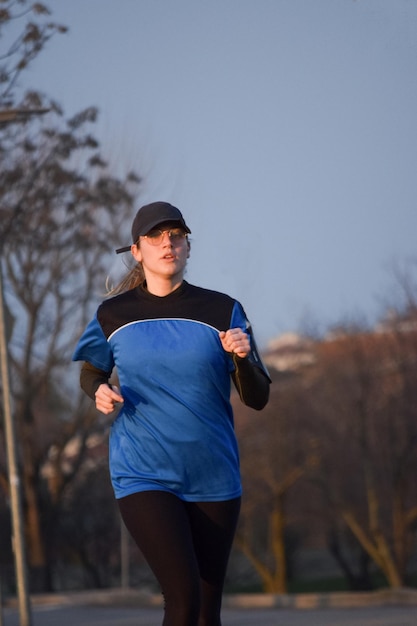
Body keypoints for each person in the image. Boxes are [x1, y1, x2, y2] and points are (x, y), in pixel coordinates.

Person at [72, 201, 270, 626]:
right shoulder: (113, 315)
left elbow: (256, 398)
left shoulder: (223, 311)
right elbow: (91, 372)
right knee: (182, 597)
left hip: (213, 474)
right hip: (144, 472)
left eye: (176, 236)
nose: (168, 243)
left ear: (187, 248)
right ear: (137, 251)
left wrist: (242, 358)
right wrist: (100, 392)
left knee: (205, 611)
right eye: (156, 237)